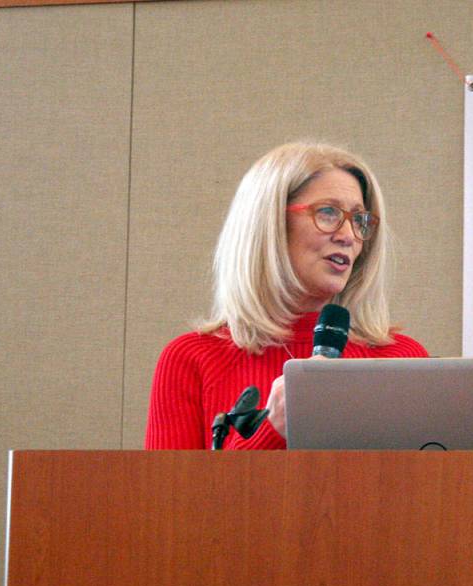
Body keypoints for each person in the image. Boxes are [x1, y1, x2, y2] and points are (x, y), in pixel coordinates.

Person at [144, 142, 428, 450]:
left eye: (359, 220)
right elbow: (174, 484)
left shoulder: (402, 360)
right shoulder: (191, 360)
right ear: (270, 223)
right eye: (328, 213)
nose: (348, 236)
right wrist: (273, 430)